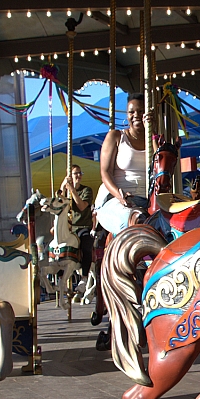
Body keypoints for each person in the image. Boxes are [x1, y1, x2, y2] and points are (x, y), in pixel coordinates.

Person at [95, 93, 156, 234]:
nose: (136, 115)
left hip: (146, 200)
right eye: (131, 112)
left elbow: (160, 163)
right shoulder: (117, 136)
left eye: (141, 111)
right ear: (127, 115)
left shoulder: (153, 139)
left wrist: (151, 130)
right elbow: (105, 172)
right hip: (117, 199)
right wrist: (119, 194)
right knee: (132, 220)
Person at [61, 164, 94, 277]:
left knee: (86, 247)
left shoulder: (86, 190)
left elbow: (81, 206)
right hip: (69, 228)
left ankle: (84, 276)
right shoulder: (66, 191)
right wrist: (63, 187)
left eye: (80, 173)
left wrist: (73, 190)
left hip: (82, 226)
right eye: (76, 173)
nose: (79, 175)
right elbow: (59, 203)